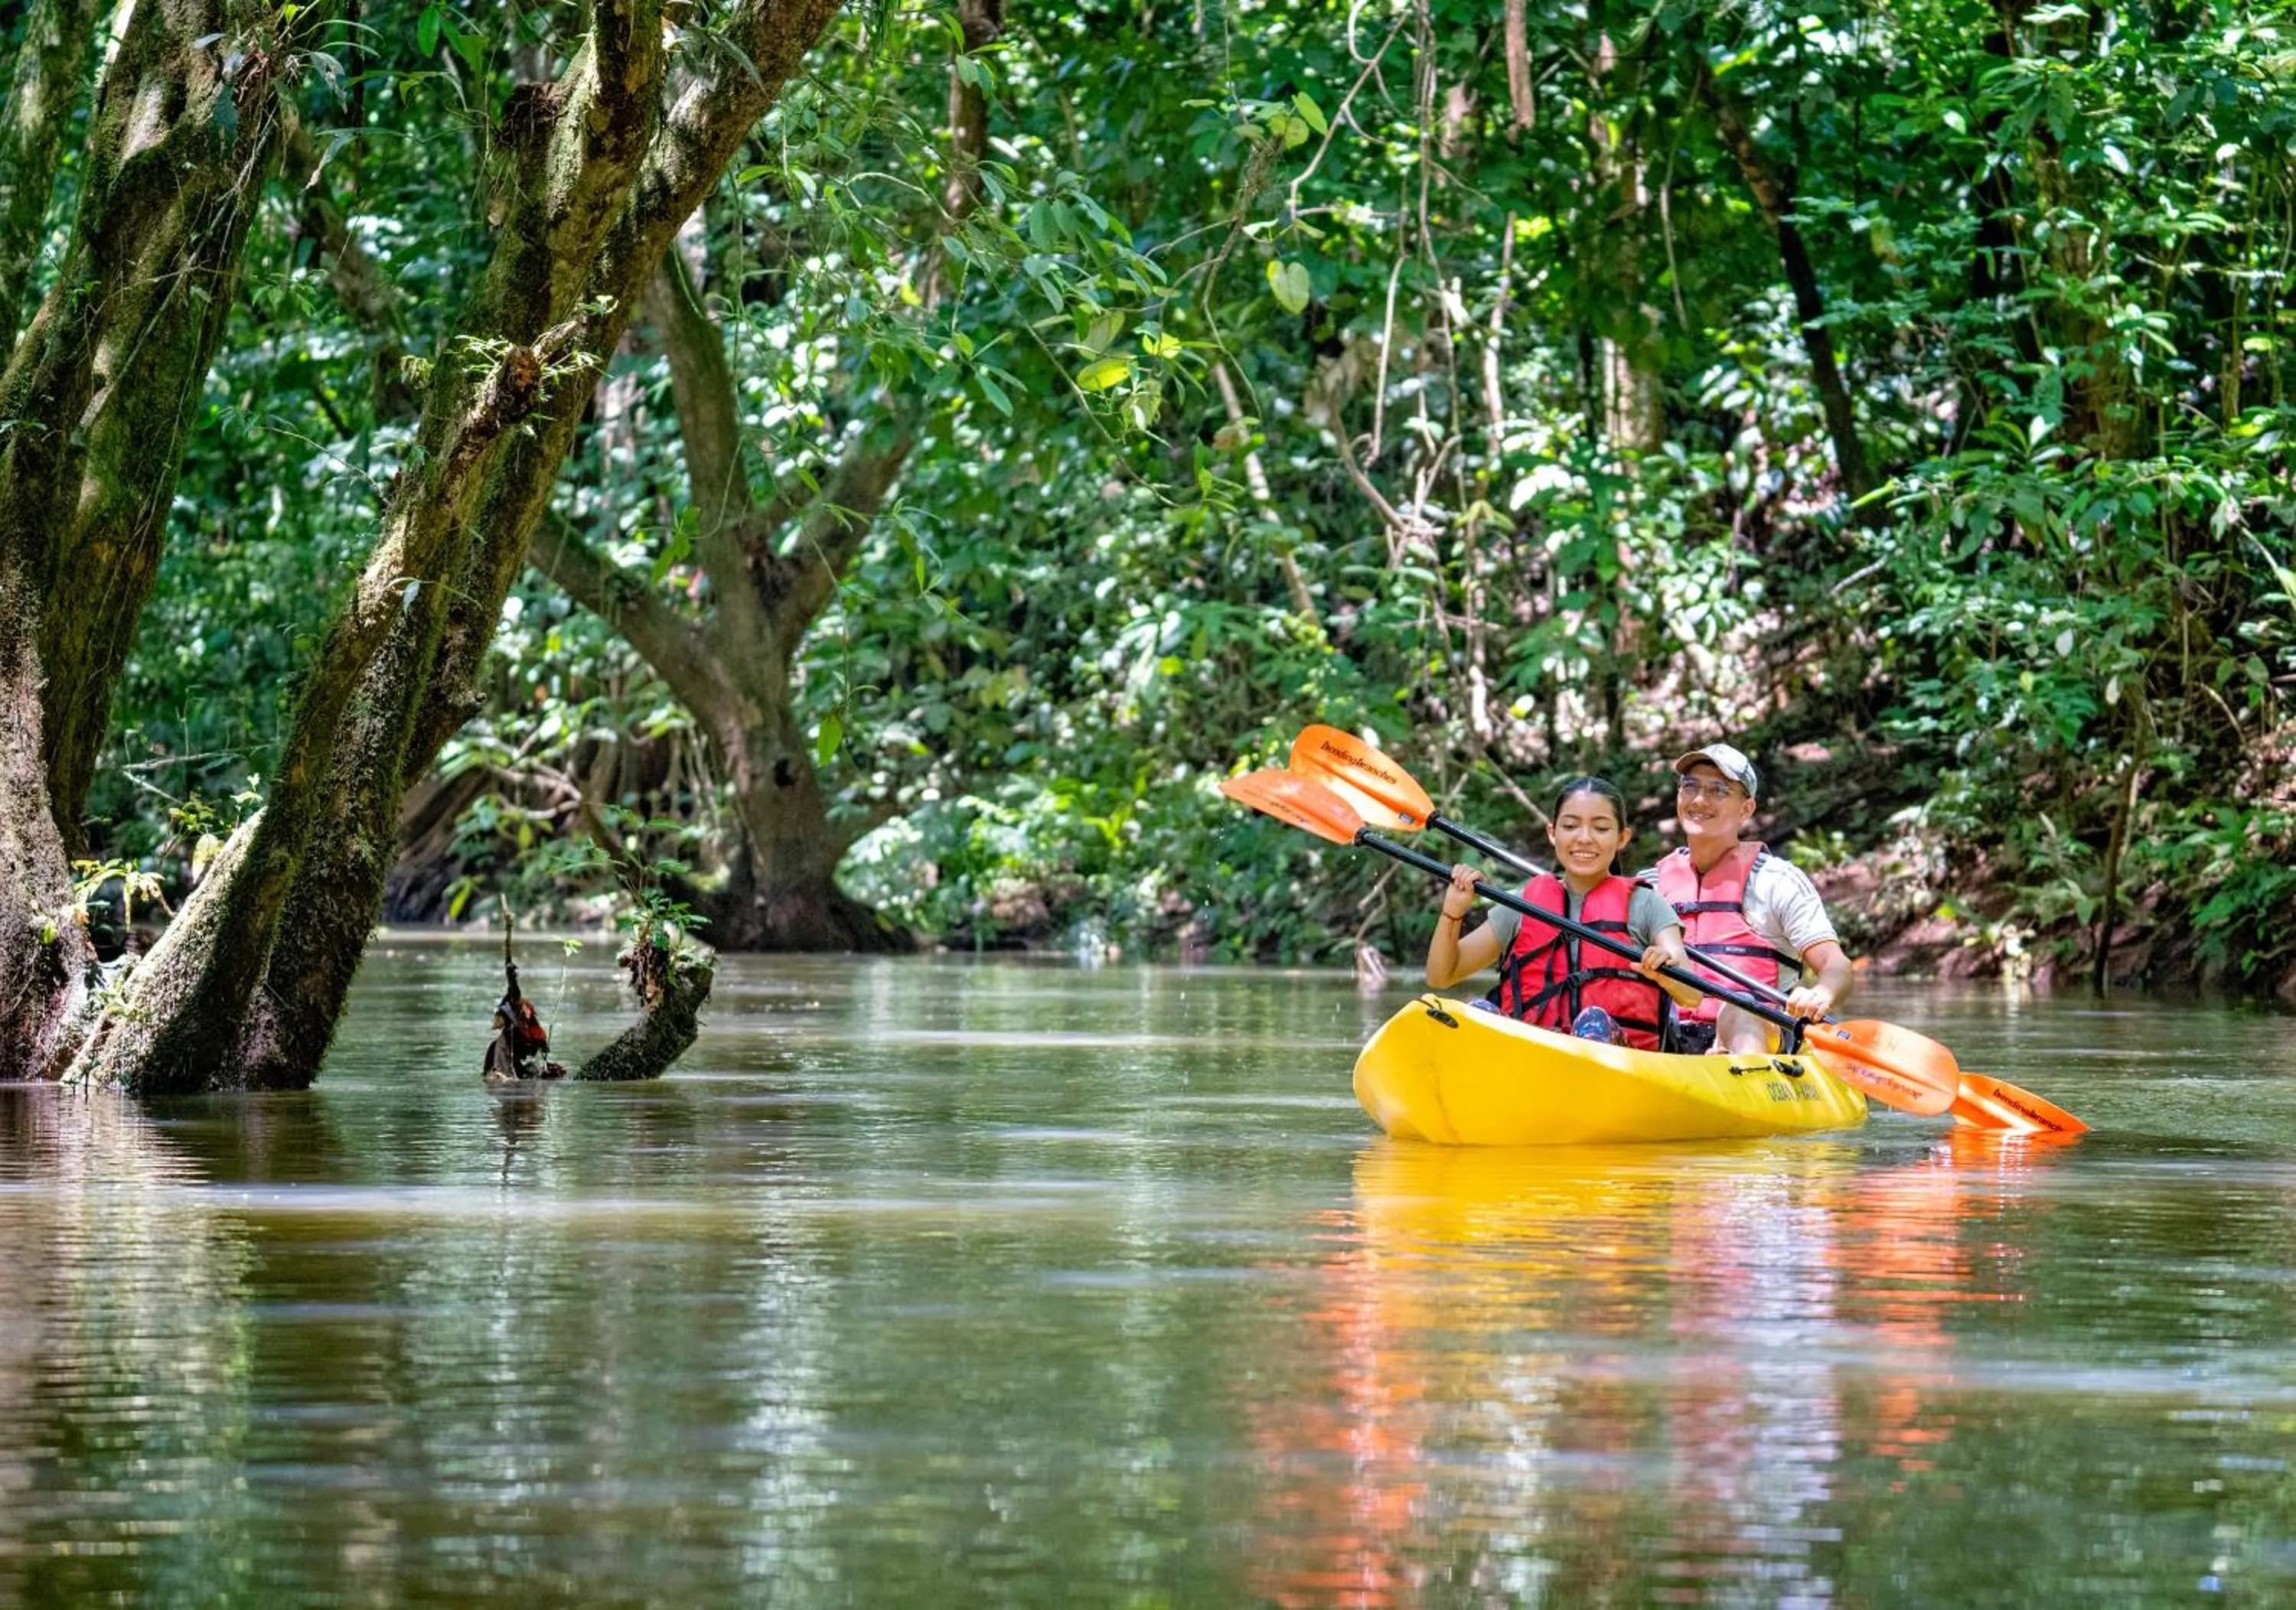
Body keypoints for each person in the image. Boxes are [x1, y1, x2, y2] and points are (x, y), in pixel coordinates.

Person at [1424, 776, 1704, 1049]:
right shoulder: (1521, 906)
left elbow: (1692, 996)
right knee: (1476, 1012)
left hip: (1616, 1064)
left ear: (1622, 838)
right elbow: (1441, 976)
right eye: (1570, 826)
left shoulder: (1646, 904)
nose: (1584, 838)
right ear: (1552, 833)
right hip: (1533, 1059)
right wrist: (1453, 913)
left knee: (1593, 1021)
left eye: (1601, 828)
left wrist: (1664, 972)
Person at [1652, 742, 1854, 1055]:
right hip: (1667, 1045)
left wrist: (1822, 994)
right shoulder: (1650, 885)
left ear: (1746, 809)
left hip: (1758, 1038)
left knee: (1741, 1008)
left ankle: (1739, 1070)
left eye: (1718, 790)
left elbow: (1835, 964)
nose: (1700, 799)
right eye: (1690, 786)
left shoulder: (1776, 881)